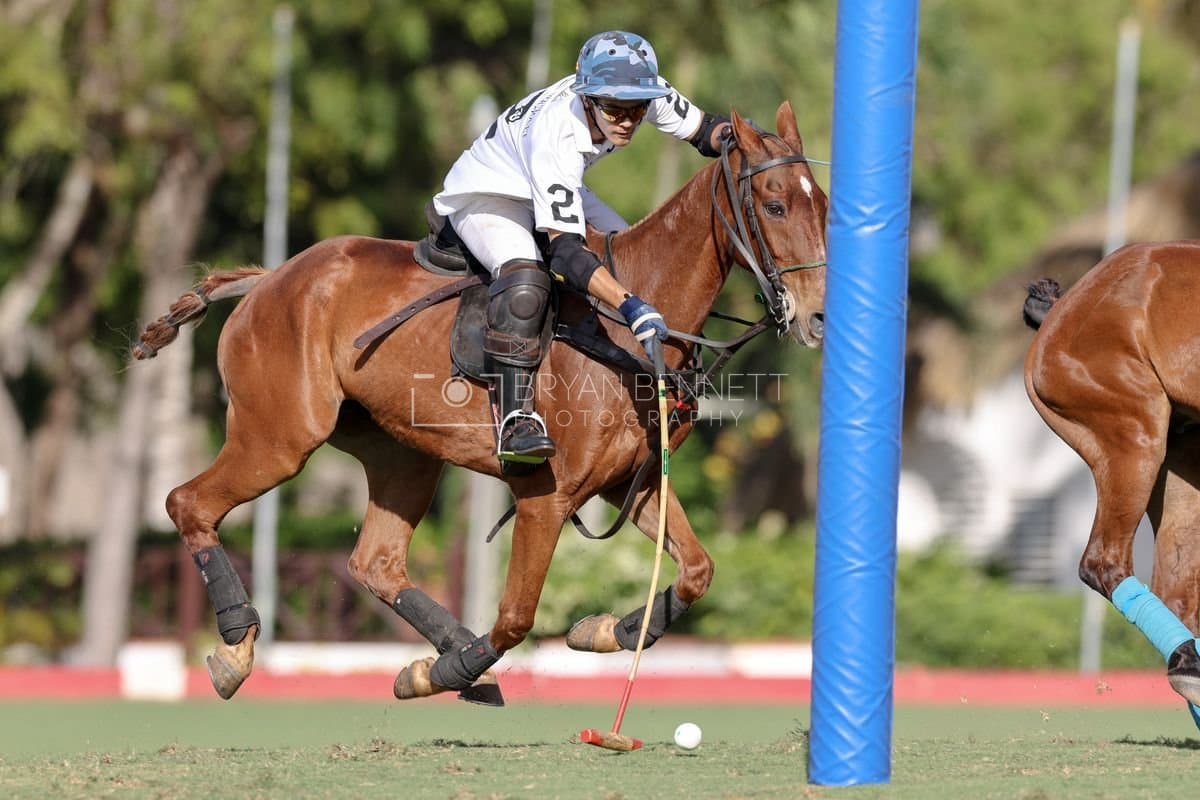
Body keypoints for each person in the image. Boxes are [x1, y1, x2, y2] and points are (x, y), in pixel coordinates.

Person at [433, 30, 733, 465]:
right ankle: (516, 418)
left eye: (638, 108)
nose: (628, 120)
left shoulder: (642, 88)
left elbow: (706, 131)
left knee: (632, 258)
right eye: (614, 108)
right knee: (526, 279)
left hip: (553, 185)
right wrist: (630, 306)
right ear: (587, 97)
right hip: (491, 194)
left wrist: (752, 145)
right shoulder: (557, 135)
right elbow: (567, 254)